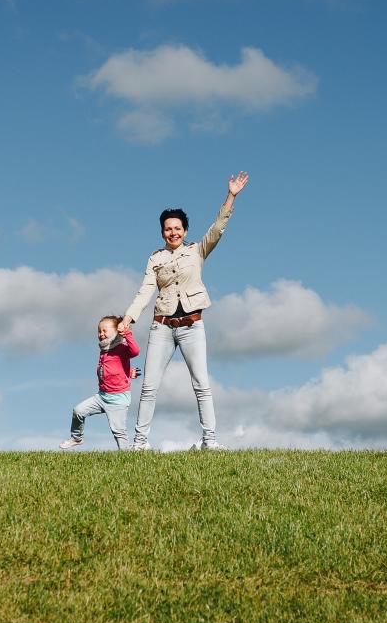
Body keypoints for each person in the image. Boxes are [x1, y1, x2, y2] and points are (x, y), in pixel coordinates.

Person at [118, 172, 249, 451]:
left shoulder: (197, 251)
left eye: (177, 228)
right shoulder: (156, 258)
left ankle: (209, 441)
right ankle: (139, 443)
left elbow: (218, 228)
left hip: (192, 325)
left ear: (185, 230)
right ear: (162, 232)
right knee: (149, 387)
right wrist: (128, 317)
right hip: (161, 327)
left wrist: (231, 195)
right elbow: (145, 290)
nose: (173, 232)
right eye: (167, 229)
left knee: (201, 384)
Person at [60, 315, 140, 451]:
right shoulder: (104, 349)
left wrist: (127, 333)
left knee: (118, 432)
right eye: (99, 331)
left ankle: (127, 455)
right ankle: (77, 438)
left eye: (105, 331)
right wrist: (128, 372)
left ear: (116, 332)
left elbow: (135, 351)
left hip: (118, 399)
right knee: (78, 411)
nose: (101, 334)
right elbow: (112, 368)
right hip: (102, 396)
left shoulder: (121, 346)